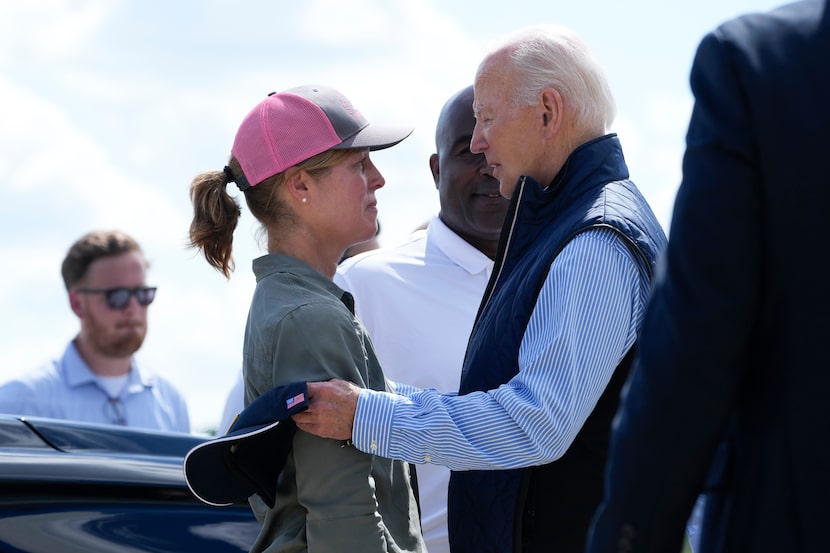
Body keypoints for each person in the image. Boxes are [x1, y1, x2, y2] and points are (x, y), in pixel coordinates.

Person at [294, 24, 667, 553]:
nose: (477, 140)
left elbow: (535, 423)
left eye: (488, 117)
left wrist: (367, 415)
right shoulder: (574, 226)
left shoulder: (595, 241)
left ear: (548, 112)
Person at [586, 2, 830, 552]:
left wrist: (631, 536)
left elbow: (696, 340)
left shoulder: (766, 65)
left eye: (487, 116)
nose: (480, 139)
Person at [187, 84, 425, 553]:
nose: (378, 179)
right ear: (300, 186)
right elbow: (343, 517)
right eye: (358, 164)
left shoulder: (291, 301)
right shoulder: (309, 316)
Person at [334, 84, 510, 553]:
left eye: (503, 148)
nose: (489, 166)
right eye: (468, 150)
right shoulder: (366, 285)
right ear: (436, 170)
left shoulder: (569, 278)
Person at [0, 230, 190, 432]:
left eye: (143, 294)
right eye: (117, 296)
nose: (133, 308)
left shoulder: (172, 402)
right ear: (77, 304)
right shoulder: (18, 402)